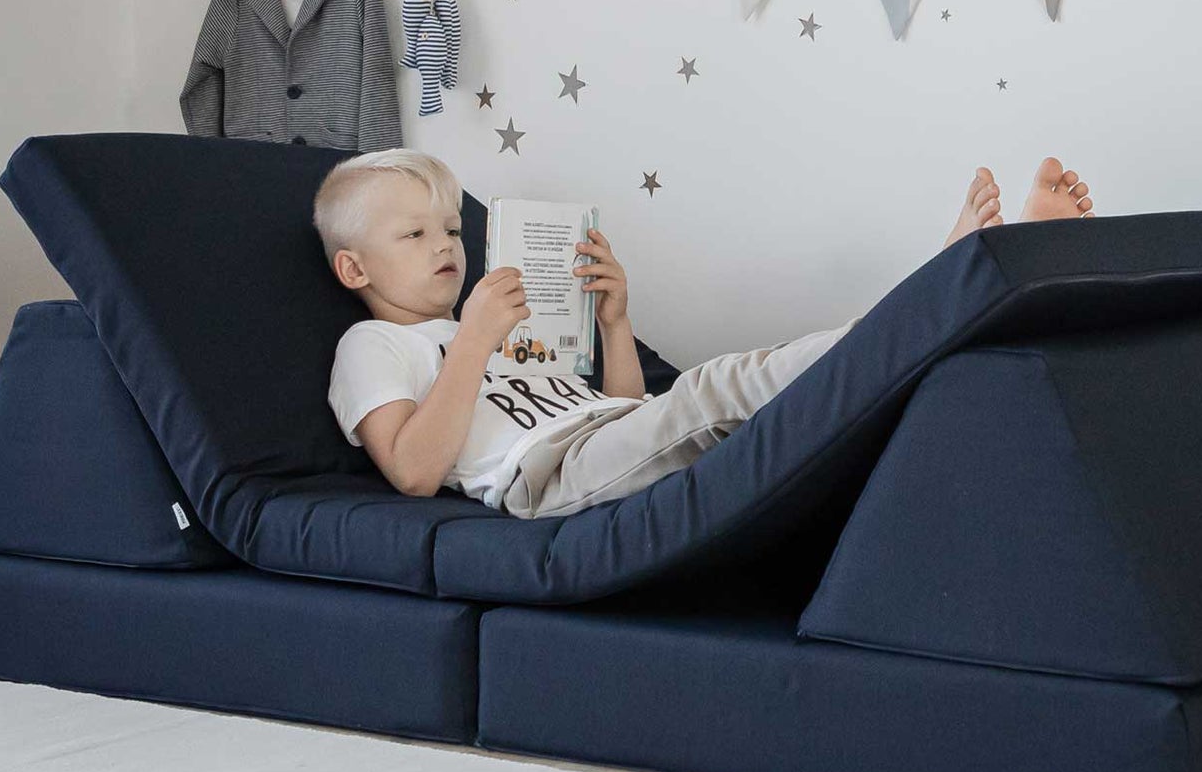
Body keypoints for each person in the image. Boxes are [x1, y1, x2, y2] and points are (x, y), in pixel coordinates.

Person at [318, 150, 1094, 521]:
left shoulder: (489, 319)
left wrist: (615, 323)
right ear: (355, 269)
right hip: (547, 479)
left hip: (611, 438)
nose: (447, 245)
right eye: (415, 234)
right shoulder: (375, 348)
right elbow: (414, 473)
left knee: (758, 407)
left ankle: (958, 296)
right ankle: (952, 284)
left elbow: (625, 412)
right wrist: (474, 345)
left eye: (452, 228)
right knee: (723, 387)